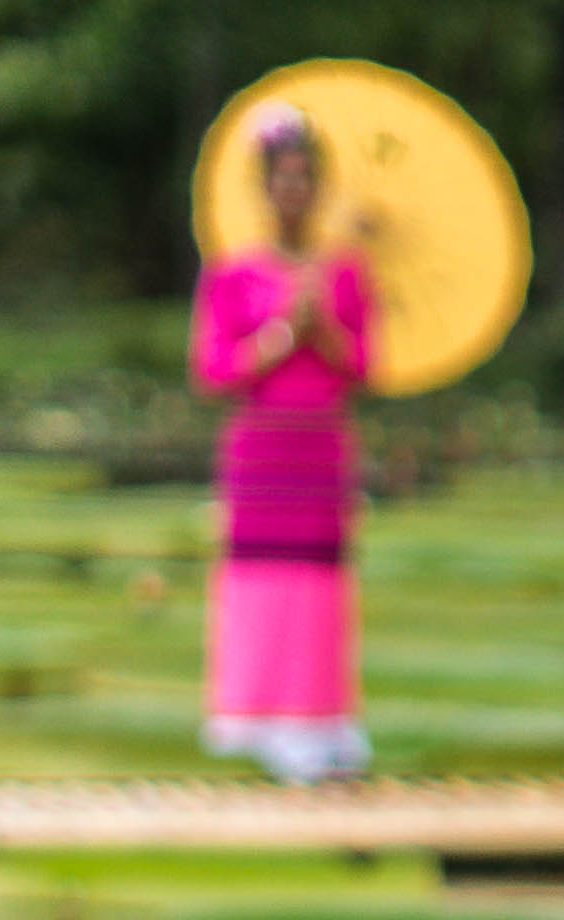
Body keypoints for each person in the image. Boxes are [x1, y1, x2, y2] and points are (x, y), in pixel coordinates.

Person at [191, 103, 376, 783]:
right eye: (283, 178)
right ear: (265, 188)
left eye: (305, 178)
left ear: (318, 187)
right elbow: (213, 371)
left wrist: (320, 324)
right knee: (259, 577)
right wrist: (277, 335)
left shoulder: (346, 274)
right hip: (260, 452)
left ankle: (320, 719)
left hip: (321, 448)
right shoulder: (233, 274)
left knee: (321, 580)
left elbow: (363, 367)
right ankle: (252, 719)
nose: (294, 190)